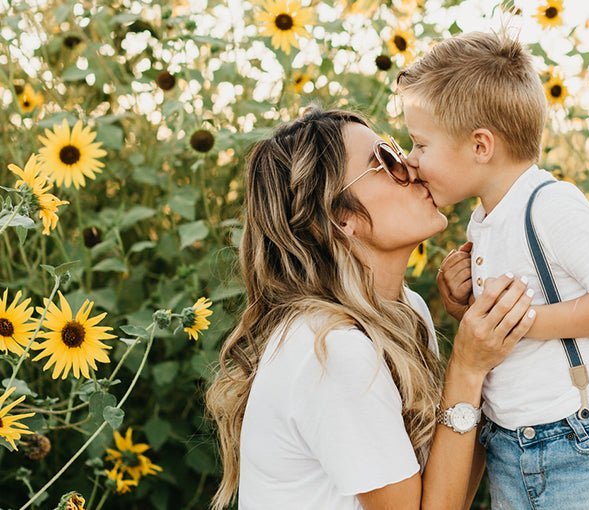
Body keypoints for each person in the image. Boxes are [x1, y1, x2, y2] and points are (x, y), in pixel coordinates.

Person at [205, 106, 537, 510]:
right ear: (340, 217)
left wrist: (481, 349)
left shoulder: (405, 311)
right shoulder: (330, 350)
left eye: (399, 149)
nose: (412, 165)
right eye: (385, 159)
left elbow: (445, 498)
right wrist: (466, 369)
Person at [396, 31, 589, 509]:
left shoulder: (549, 204)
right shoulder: (486, 219)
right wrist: (462, 305)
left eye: (420, 144)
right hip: (511, 446)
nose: (411, 161)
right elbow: (500, 335)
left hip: (579, 441)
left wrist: (526, 322)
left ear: (480, 146)